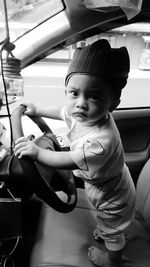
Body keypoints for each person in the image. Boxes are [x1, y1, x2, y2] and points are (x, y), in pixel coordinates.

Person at [14, 39, 135, 267]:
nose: (80, 104)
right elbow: (63, 112)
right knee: (110, 225)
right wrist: (38, 109)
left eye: (94, 96)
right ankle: (112, 231)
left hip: (112, 197)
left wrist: (37, 152)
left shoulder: (100, 141)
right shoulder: (87, 115)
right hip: (104, 187)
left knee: (113, 232)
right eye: (74, 93)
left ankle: (111, 260)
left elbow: (67, 159)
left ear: (113, 103)